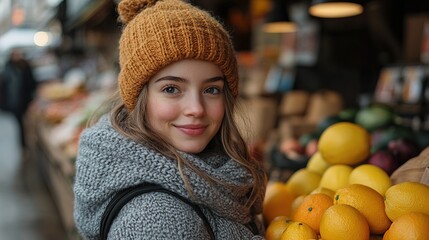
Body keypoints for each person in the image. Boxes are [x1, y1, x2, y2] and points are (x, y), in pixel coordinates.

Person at [73, 0, 267, 239]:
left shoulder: (211, 176)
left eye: (211, 90)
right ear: (139, 97)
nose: (196, 108)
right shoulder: (156, 221)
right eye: (171, 89)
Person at [0, 48, 37, 148]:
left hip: (24, 101)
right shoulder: (7, 69)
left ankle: (25, 142)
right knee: (18, 123)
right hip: (13, 103)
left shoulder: (25, 67)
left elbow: (31, 83)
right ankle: (22, 143)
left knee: (25, 122)